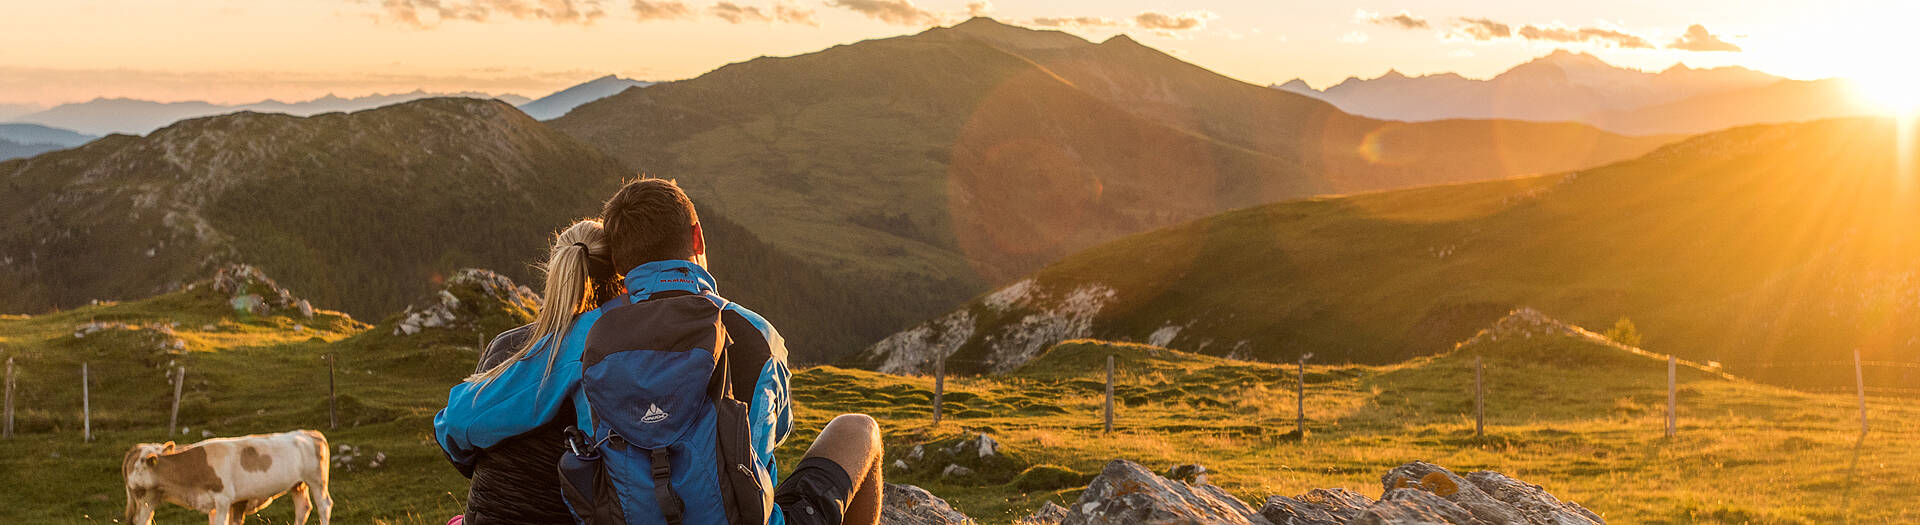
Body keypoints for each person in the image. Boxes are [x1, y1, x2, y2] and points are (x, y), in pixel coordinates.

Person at [438, 178, 885, 525]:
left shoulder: (587, 336)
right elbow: (773, 434)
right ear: (697, 237)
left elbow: (459, 422)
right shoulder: (758, 334)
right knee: (858, 429)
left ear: (618, 264)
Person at [437, 219, 621, 525]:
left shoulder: (509, 346)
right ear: (620, 279)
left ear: (557, 274)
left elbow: (458, 437)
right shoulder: (626, 355)